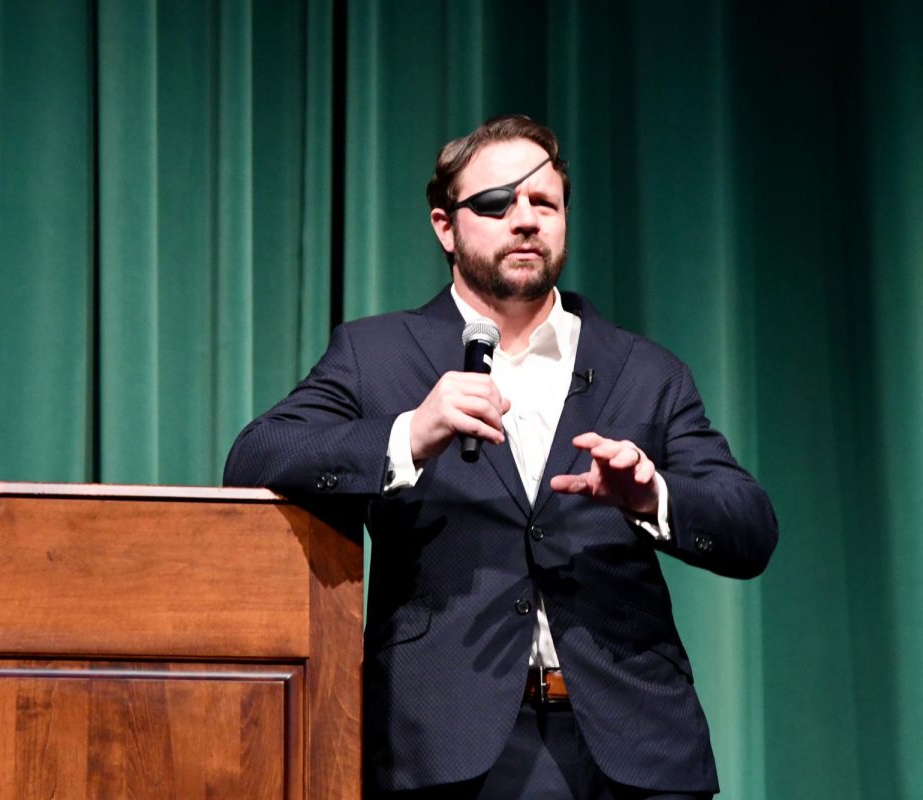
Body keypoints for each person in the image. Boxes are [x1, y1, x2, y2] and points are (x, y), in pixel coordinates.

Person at [223, 115, 777, 800]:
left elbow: (749, 527)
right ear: (444, 226)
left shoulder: (645, 370)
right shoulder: (377, 355)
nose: (524, 220)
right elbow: (255, 457)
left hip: (636, 747)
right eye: (495, 203)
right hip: (450, 746)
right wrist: (407, 434)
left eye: (543, 203)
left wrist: (652, 496)